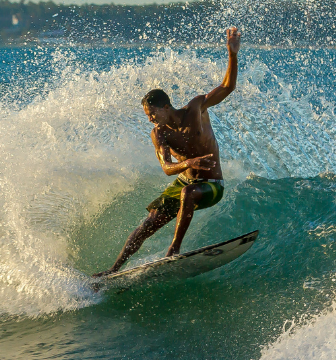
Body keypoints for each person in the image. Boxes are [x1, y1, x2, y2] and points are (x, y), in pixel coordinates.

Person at [95, 27, 241, 277]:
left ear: (165, 106)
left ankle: (174, 249)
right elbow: (166, 168)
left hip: (211, 184)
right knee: (148, 224)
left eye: (152, 114)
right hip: (185, 179)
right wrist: (188, 163)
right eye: (147, 116)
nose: (151, 120)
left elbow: (227, 87)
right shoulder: (159, 134)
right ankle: (112, 270)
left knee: (189, 192)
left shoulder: (196, 109)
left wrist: (232, 54)